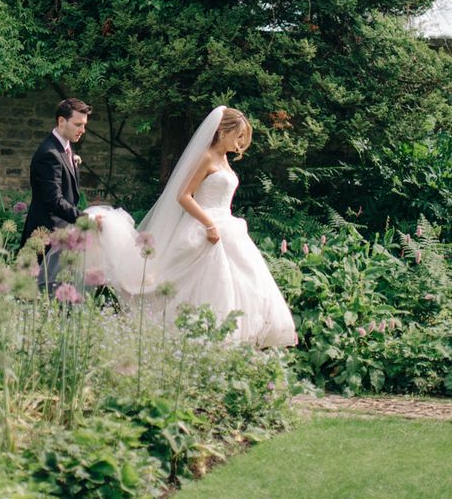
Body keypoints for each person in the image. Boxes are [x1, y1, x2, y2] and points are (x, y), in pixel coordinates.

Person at [85, 107, 296, 346]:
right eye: (237, 136)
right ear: (222, 131)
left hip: (228, 226)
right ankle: (205, 338)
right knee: (209, 283)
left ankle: (234, 338)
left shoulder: (225, 159)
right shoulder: (206, 157)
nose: (239, 143)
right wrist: (209, 224)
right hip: (205, 226)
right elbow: (184, 195)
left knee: (245, 280)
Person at [21, 98, 92, 292]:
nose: (82, 130)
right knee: (39, 294)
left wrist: (73, 161)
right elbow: (54, 200)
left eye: (84, 125)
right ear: (61, 121)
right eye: (78, 124)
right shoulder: (48, 153)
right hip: (46, 235)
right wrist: (86, 219)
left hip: (61, 233)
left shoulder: (65, 147)